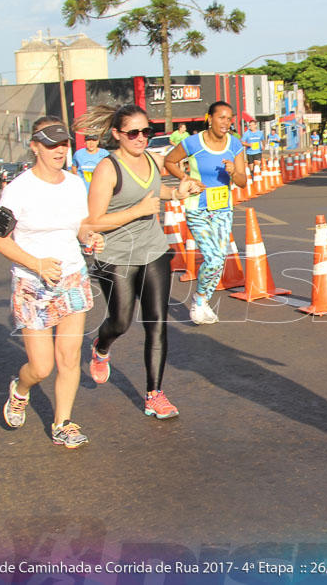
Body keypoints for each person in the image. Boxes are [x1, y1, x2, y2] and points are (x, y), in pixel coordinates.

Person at [83, 104, 202, 419]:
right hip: (116, 255)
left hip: (153, 249)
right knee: (121, 321)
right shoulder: (107, 169)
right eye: (133, 132)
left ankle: (154, 394)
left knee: (157, 323)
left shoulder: (151, 159)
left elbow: (153, 190)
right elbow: (95, 221)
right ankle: (101, 347)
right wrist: (138, 210)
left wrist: (176, 193)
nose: (140, 138)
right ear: (117, 134)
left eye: (146, 131)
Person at [0, 117, 104, 449]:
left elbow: (81, 225)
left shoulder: (74, 183)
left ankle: (63, 423)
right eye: (51, 144)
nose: (59, 150)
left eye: (64, 143)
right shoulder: (18, 190)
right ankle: (20, 390)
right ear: (35, 146)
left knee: (68, 358)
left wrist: (90, 237)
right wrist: (36, 264)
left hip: (71, 278)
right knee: (40, 367)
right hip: (32, 285)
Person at [164, 101, 248, 325]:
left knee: (218, 259)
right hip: (197, 208)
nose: (226, 123)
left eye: (229, 118)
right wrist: (187, 179)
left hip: (222, 209)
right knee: (211, 257)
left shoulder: (235, 144)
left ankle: (203, 300)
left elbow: (242, 182)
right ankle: (200, 300)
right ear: (209, 118)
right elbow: (169, 161)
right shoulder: (194, 142)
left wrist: (232, 172)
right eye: (221, 117)